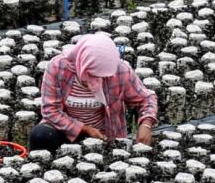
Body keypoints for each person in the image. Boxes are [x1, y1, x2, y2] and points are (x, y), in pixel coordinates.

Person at [29, 33, 158, 152]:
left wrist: (146, 124)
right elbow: (51, 110)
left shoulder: (120, 71)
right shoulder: (58, 68)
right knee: (41, 135)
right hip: (64, 132)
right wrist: (85, 129)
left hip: (104, 136)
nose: (97, 81)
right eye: (92, 75)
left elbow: (146, 98)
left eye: (102, 77)